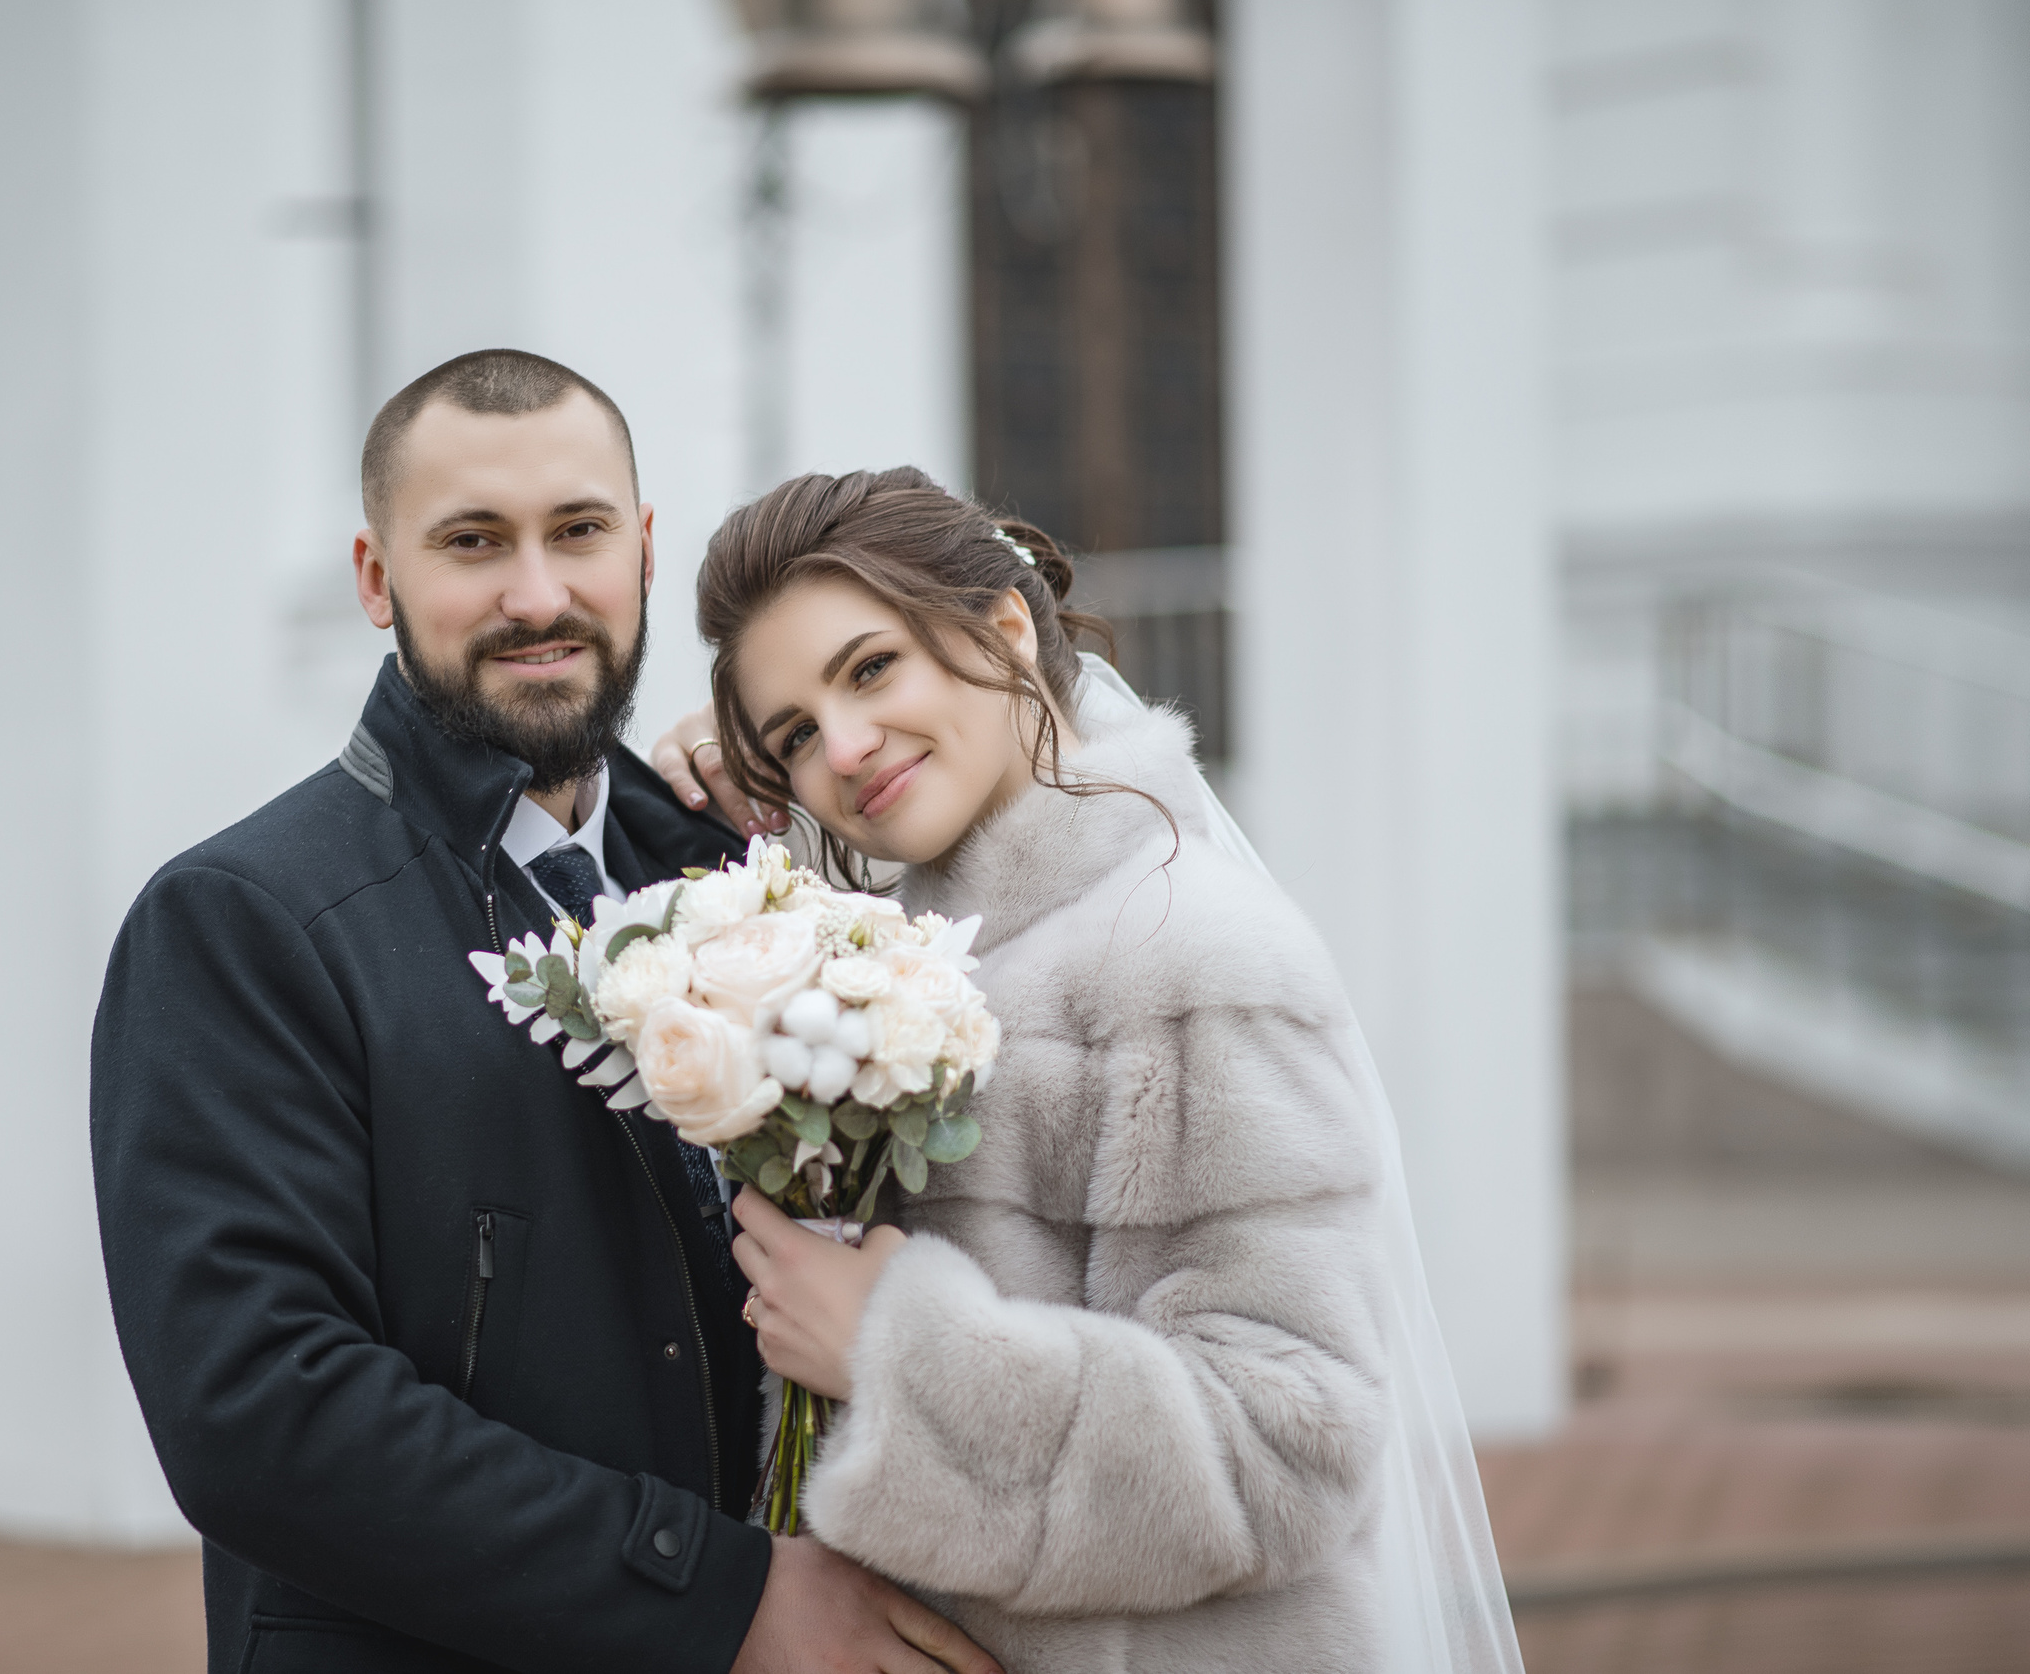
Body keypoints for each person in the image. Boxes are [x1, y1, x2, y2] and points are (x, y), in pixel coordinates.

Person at [91, 357, 999, 1674]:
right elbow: (263, 1412)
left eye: (577, 532)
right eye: (472, 543)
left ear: (640, 550)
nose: (536, 594)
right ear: (374, 576)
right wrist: (720, 1597)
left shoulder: (743, 868)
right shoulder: (240, 923)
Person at [653, 467, 1524, 1674]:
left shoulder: (1187, 952)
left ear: (1003, 627)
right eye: (795, 733)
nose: (843, 749)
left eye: (870, 669)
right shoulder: (890, 969)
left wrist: (898, 1354)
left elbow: (1291, 1447)